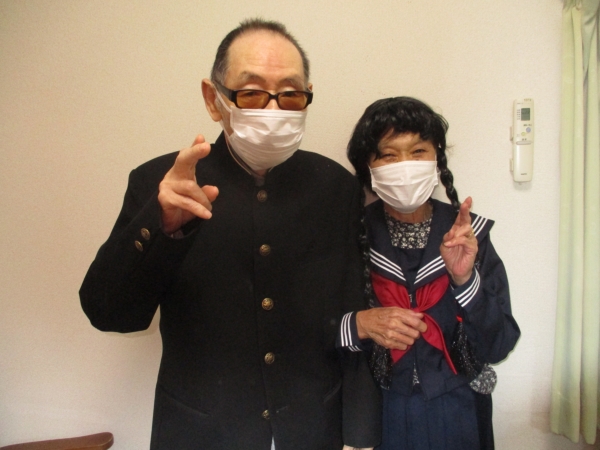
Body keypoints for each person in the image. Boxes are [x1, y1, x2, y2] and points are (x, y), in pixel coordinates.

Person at [79, 19, 380, 450]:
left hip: (315, 427)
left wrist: (361, 433)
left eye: (290, 94)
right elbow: (109, 314)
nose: (273, 109)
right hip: (200, 431)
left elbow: (355, 316)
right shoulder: (161, 184)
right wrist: (159, 224)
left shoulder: (336, 188)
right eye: (252, 92)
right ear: (213, 98)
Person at [340, 97, 520, 449]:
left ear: (437, 158)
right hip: (377, 412)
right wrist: (360, 323)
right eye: (388, 155)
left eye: (418, 151)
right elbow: (315, 333)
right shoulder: (348, 237)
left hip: (458, 410)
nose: (405, 165)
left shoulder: (469, 236)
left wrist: (465, 281)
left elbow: (499, 345)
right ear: (368, 167)